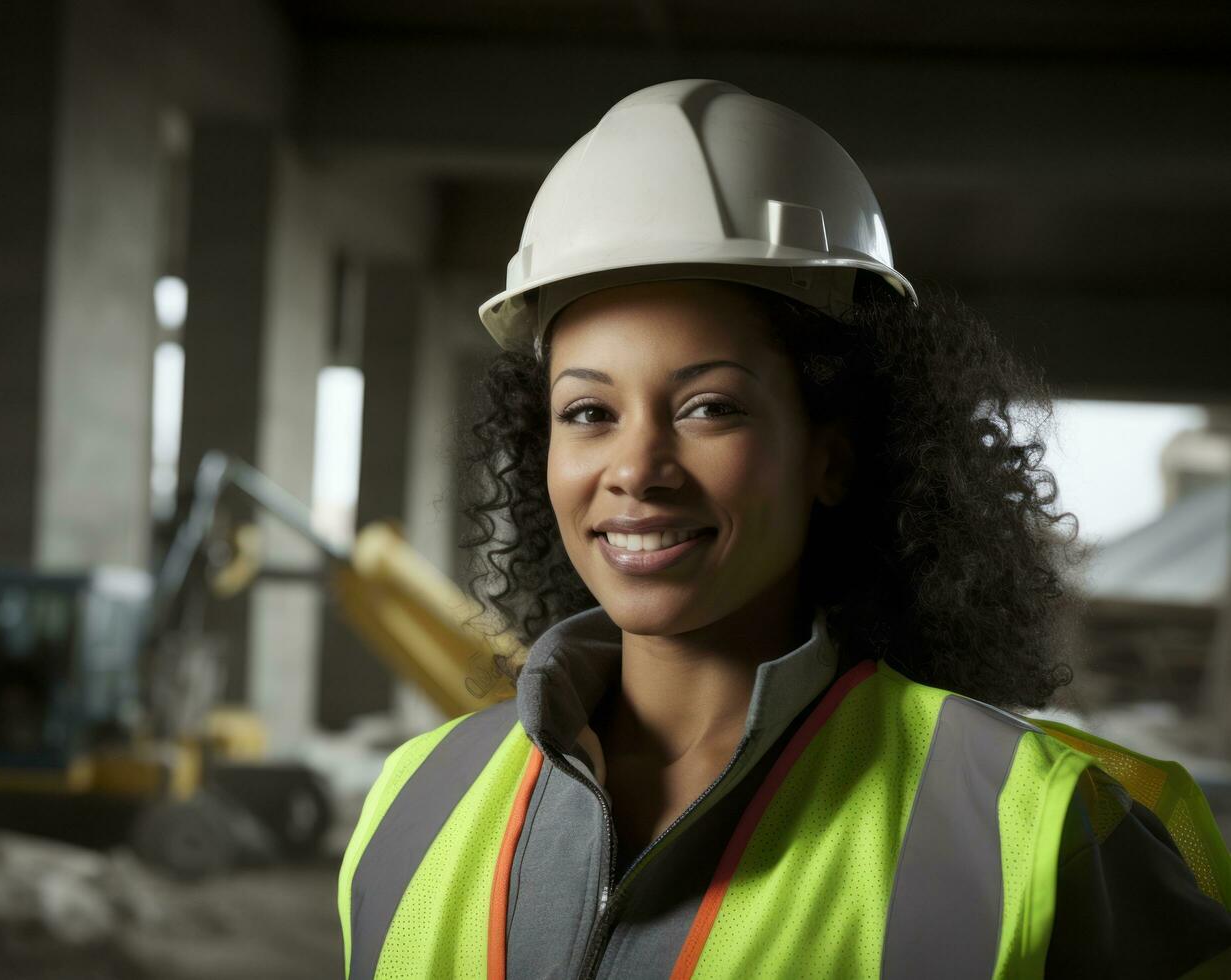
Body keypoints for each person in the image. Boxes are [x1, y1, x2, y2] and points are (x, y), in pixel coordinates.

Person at [338, 79, 1231, 979]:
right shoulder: (412, 803)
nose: (636, 467)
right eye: (588, 412)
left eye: (708, 406)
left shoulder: (1044, 825)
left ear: (830, 457)